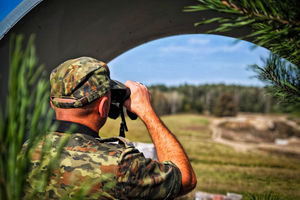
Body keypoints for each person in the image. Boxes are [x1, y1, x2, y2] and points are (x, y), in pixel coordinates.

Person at [26, 57, 197, 199]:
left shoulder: (25, 150)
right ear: (103, 106)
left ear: (52, 104)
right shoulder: (120, 164)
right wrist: (146, 111)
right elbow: (185, 179)